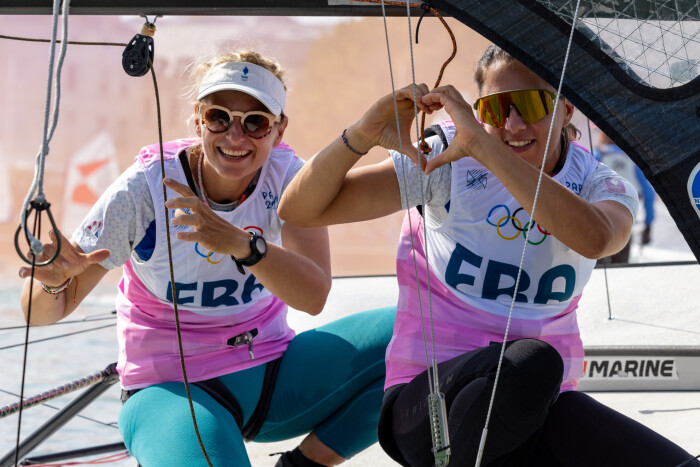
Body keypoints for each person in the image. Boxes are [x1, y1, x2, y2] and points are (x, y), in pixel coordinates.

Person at [278, 45, 699, 466]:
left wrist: (483, 144)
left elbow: (596, 238)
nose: (513, 124)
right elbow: (298, 211)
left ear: (566, 110)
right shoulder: (447, 161)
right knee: (531, 361)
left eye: (531, 104)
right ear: (478, 113)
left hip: (537, 407)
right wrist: (362, 134)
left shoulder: (597, 183)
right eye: (496, 110)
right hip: (428, 409)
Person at [19, 50, 395, 467]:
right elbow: (41, 312)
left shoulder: (290, 176)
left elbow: (314, 296)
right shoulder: (144, 188)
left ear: (278, 129)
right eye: (219, 118)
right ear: (198, 120)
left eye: (255, 122)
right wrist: (52, 280)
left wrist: (242, 246)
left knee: (425, 334)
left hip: (273, 376)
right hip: (172, 391)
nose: (236, 137)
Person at [594, 132, 656, 256]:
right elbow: (649, 194)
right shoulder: (633, 158)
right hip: (625, 224)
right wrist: (648, 224)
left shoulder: (597, 155)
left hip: (597, 222)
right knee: (621, 269)